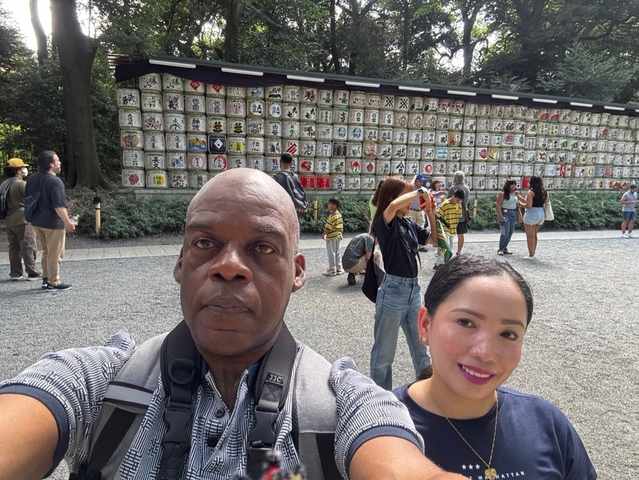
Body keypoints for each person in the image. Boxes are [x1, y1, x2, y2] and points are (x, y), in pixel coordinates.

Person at [0, 168, 467, 480]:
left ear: (298, 271)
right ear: (181, 262)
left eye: (263, 248)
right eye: (206, 242)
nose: (230, 266)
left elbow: (396, 460)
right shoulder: (98, 382)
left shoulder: (344, 403)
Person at [394, 255, 597, 479]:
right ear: (425, 324)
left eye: (507, 334)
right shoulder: (381, 430)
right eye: (466, 322)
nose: (486, 353)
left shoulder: (547, 424)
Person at [369, 176, 432, 390]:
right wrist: (419, 191)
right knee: (384, 353)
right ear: (393, 197)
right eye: (406, 196)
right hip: (393, 290)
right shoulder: (384, 224)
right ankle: (380, 400)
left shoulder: (408, 223)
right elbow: (394, 205)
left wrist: (429, 209)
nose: (410, 202)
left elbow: (432, 239)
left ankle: (428, 393)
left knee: (422, 348)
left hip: (414, 290)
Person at [24, 150, 76, 290]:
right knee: (56, 253)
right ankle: (54, 281)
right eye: (57, 160)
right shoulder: (55, 181)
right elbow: (59, 205)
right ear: (52, 164)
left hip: (36, 221)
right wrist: (68, 223)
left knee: (47, 252)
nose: (59, 162)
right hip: (53, 223)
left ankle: (46, 278)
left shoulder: (32, 179)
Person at [0, 158, 41, 281]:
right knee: (28, 245)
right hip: (22, 219)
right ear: (18, 171)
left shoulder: (3, 185)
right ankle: (32, 272)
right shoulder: (21, 184)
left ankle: (16, 273)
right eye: (23, 167)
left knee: (14, 247)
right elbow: (32, 199)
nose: (24, 169)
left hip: (8, 220)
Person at [433, 189, 464, 270]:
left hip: (452, 228)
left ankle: (443, 262)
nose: (457, 201)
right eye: (457, 200)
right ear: (453, 195)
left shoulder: (459, 204)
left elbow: (459, 215)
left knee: (449, 246)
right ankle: (439, 263)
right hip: (444, 228)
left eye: (459, 200)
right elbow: (438, 215)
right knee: (444, 246)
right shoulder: (445, 204)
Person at [272, 153, 307, 220]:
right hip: (294, 213)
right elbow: (302, 195)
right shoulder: (295, 178)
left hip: (281, 214)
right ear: (291, 163)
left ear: (280, 162)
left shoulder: (276, 178)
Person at [496, 180, 525, 255]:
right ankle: (501, 248)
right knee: (504, 231)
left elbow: (524, 201)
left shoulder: (515, 194)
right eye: (512, 184)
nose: (514, 186)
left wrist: (518, 196)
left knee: (510, 232)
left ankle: (505, 247)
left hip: (513, 213)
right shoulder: (503, 194)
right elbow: (498, 205)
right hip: (505, 212)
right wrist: (500, 215)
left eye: (515, 184)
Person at [522, 175, 548, 260]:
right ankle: (533, 252)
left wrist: (519, 204)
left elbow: (528, 205)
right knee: (534, 235)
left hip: (532, 213)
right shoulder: (544, 191)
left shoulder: (531, 192)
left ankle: (531, 254)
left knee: (530, 236)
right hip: (541, 213)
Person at [446, 171, 470, 255]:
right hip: (462, 213)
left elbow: (448, 200)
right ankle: (459, 251)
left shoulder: (452, 188)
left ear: (455, 178)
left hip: (452, 214)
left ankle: (448, 250)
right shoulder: (467, 188)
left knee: (449, 234)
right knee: (460, 234)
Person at [322, 197, 344, 276]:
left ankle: (332, 269)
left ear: (334, 206)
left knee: (331, 253)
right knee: (338, 252)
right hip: (338, 235)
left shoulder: (332, 216)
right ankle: (339, 268)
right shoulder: (339, 215)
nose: (328, 205)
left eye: (329, 204)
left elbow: (328, 228)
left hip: (331, 237)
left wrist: (323, 234)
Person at [408, 173, 429, 251]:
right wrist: (414, 178)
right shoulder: (412, 188)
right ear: (416, 181)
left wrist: (425, 211)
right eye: (420, 181)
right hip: (411, 211)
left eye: (422, 181)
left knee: (421, 227)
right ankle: (412, 244)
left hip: (420, 211)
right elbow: (410, 184)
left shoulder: (422, 189)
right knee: (412, 228)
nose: (421, 183)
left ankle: (421, 245)